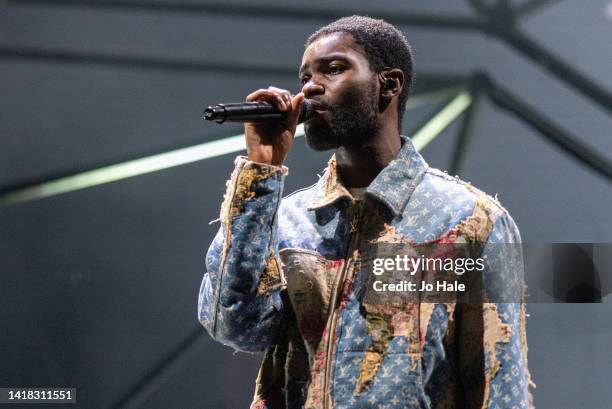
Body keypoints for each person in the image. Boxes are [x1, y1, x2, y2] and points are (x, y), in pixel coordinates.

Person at [198, 15, 534, 409]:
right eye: (305, 75)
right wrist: (260, 174)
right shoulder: (287, 221)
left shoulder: (467, 220)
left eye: (334, 69)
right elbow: (235, 326)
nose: (309, 87)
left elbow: (499, 378)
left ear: (388, 84)